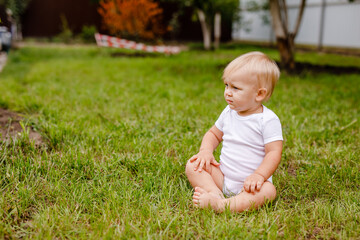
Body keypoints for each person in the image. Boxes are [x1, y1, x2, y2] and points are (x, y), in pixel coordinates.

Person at [185, 51, 283, 212]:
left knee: (268, 191)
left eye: (236, 88)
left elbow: (274, 153)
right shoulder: (228, 112)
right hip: (223, 177)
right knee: (193, 164)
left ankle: (223, 206)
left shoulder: (268, 120)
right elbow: (213, 134)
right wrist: (205, 152)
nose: (228, 92)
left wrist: (259, 175)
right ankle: (214, 193)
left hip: (251, 185)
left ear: (259, 94)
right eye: (227, 85)